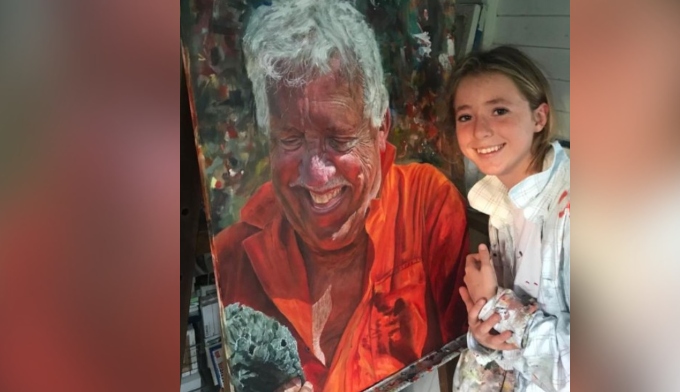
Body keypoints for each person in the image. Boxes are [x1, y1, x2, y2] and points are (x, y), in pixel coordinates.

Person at [212, 1, 469, 391]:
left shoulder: (424, 207)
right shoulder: (230, 257)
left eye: (339, 139)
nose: (316, 174)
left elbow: (468, 360)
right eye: (291, 139)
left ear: (380, 127)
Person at [445, 46, 570, 392]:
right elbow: (507, 348)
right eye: (465, 116)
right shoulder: (500, 200)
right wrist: (485, 333)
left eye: (499, 110)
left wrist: (498, 304)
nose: (480, 131)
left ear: (539, 117)